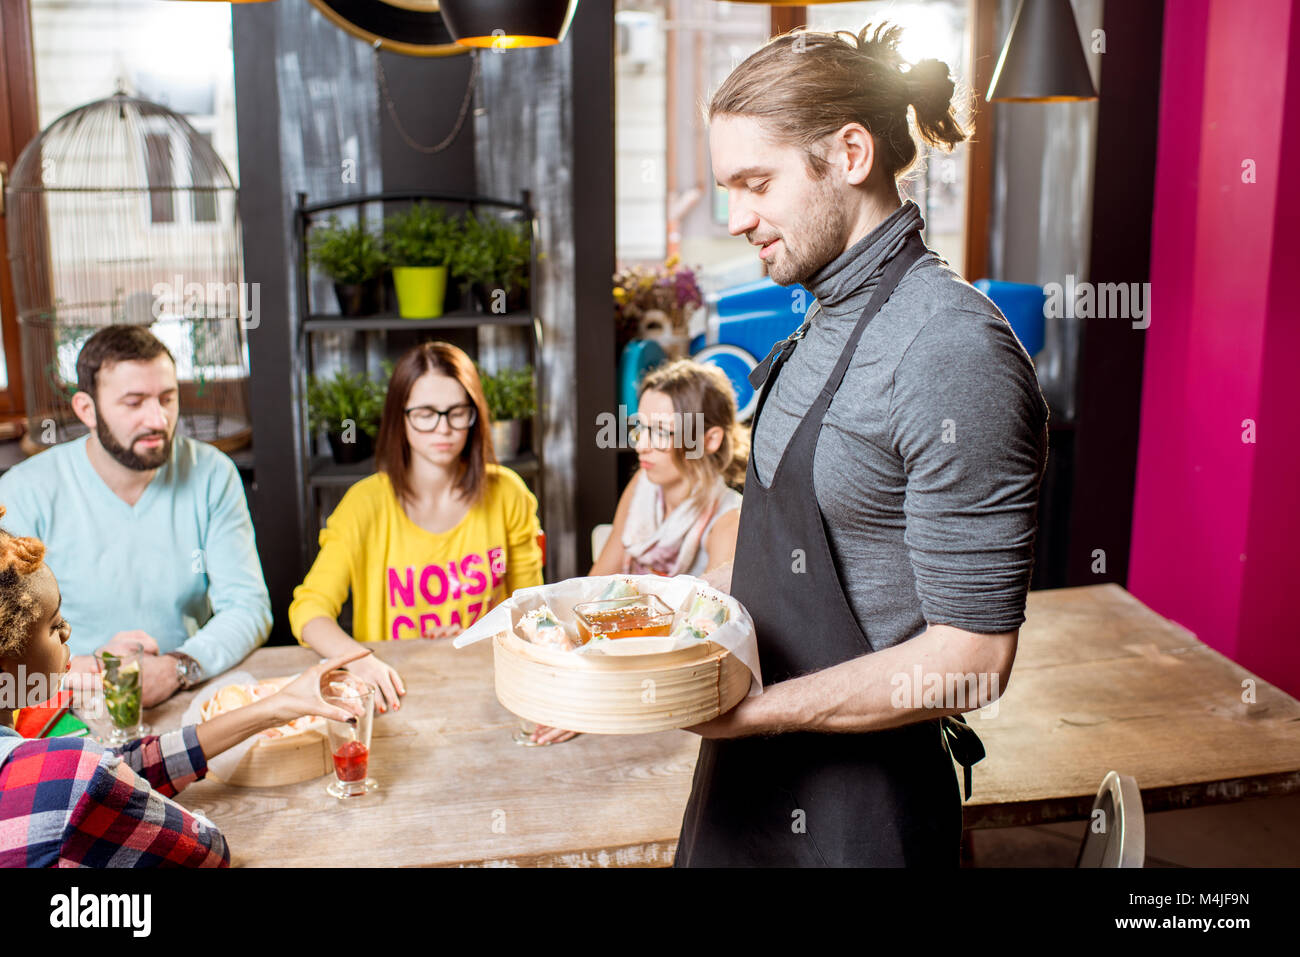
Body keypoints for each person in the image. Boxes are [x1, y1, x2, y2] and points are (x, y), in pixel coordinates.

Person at [674, 23, 1050, 867]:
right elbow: (792, 531)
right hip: (746, 788)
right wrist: (643, 656)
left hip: (859, 817)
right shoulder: (825, 314)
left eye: (755, 183)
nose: (735, 218)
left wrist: (753, 713)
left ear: (849, 152)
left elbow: (973, 658)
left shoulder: (951, 351)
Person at [0, 508, 367, 867]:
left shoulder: (59, 772)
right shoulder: (71, 780)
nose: (67, 632)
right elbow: (208, 849)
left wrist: (275, 706)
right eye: (52, 625)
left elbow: (116, 770)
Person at [0, 325, 272, 708]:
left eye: (167, 398)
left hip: (184, 695)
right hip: (65, 705)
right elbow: (7, 632)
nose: (158, 419)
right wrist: (75, 669)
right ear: (86, 410)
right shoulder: (23, 491)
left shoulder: (213, 472)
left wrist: (180, 667)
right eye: (134, 402)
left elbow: (248, 605)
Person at [290, 341, 544, 715]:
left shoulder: (508, 494)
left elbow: (532, 607)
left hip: (489, 689)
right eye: (426, 413)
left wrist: (477, 633)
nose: (444, 428)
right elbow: (309, 611)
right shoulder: (364, 504)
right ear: (400, 417)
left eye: (458, 412)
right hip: (393, 693)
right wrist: (357, 659)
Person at [590, 359, 745, 580]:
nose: (641, 446)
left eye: (661, 432)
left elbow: (706, 611)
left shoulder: (729, 522)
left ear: (710, 440)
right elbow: (595, 584)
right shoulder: (643, 483)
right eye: (641, 427)